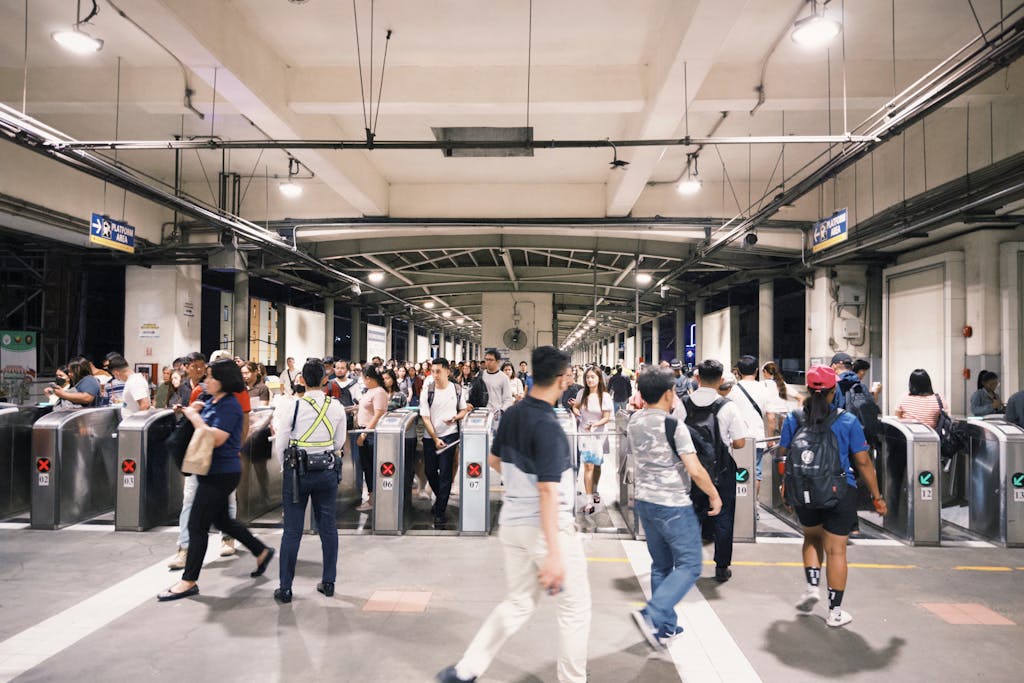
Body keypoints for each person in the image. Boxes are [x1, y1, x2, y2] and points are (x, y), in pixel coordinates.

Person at [437, 346, 590, 683]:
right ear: (564, 378)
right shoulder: (550, 425)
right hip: (546, 529)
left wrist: (520, 481)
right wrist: (553, 553)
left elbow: (494, 461)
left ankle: (466, 670)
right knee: (575, 610)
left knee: (519, 602)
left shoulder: (515, 414)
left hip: (513, 525)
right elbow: (549, 492)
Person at [777, 365, 887, 628]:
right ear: (832, 391)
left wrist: (785, 486)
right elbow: (863, 462)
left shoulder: (794, 418)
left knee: (811, 538)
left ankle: (812, 587)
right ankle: (835, 612)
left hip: (804, 490)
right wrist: (877, 496)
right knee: (836, 551)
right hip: (840, 491)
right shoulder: (847, 420)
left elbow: (783, 455)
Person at [157, 359, 274, 601]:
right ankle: (260, 550)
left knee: (196, 525)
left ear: (223, 380)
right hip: (211, 470)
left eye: (211, 377)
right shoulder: (213, 401)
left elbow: (217, 438)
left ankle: (189, 581)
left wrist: (194, 416)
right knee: (223, 520)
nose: (206, 381)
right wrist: (197, 410)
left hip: (222, 473)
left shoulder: (230, 405)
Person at [626, 368, 722, 650]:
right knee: (691, 565)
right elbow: (694, 468)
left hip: (645, 502)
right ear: (669, 394)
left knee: (661, 565)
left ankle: (664, 628)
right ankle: (651, 613)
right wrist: (714, 495)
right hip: (673, 505)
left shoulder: (634, 422)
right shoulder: (674, 426)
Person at [271, 359, 347, 603]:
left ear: (301, 379)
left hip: (297, 473)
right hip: (325, 470)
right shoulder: (336, 407)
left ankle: (285, 588)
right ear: (325, 380)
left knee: (292, 531)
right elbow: (339, 442)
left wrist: (284, 467)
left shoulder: (292, 407)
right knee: (328, 526)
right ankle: (329, 582)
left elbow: (282, 441)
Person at [682, 359, 747, 583]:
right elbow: (739, 443)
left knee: (691, 516)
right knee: (724, 518)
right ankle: (721, 567)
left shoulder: (683, 404)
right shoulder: (727, 406)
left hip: (690, 470)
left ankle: (686, 565)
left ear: (697, 378)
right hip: (721, 470)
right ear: (720, 380)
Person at [420, 358, 472, 529]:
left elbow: (464, 409)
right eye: (432, 371)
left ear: (447, 372)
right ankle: (441, 499)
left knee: (445, 474)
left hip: (450, 436)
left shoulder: (456, 389)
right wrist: (435, 438)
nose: (434, 375)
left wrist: (456, 417)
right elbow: (425, 417)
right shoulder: (427, 390)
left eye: (438, 371)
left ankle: (440, 511)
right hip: (430, 437)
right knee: (429, 471)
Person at [569, 367, 613, 514]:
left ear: (599, 378)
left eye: (592, 377)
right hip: (584, 433)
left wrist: (595, 424)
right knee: (588, 465)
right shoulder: (582, 393)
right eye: (587, 377)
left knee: (597, 464)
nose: (589, 380)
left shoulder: (605, 397)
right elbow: (576, 407)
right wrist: (576, 412)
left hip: (599, 434)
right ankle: (589, 501)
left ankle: (595, 490)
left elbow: (606, 417)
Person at [728, 355, 772, 499]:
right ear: (756, 370)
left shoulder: (733, 390)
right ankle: (754, 505)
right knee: (756, 473)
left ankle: (740, 505)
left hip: (737, 438)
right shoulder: (764, 389)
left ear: (738, 371)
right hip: (757, 438)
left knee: (738, 471)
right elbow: (771, 417)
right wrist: (770, 439)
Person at [354, 365, 389, 512]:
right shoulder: (370, 391)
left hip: (371, 434)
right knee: (366, 466)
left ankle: (374, 499)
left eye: (363, 378)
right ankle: (371, 496)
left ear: (368, 378)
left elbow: (378, 414)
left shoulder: (379, 392)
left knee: (372, 466)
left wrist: (364, 434)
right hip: (365, 430)